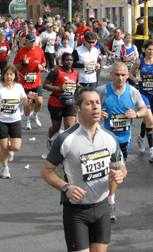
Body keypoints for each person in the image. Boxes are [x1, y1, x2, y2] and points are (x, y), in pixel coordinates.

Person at [41, 88, 126, 252]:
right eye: (89, 103)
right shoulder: (66, 139)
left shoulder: (109, 138)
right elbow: (46, 171)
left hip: (102, 208)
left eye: (97, 103)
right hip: (76, 211)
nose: (95, 107)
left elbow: (121, 168)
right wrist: (66, 187)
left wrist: (121, 173)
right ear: (78, 109)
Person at [97, 62, 147, 222]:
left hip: (123, 141)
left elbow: (144, 109)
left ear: (128, 75)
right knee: (101, 174)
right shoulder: (101, 91)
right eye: (117, 74)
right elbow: (85, 109)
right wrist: (98, 114)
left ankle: (110, 200)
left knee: (116, 173)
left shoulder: (133, 92)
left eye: (123, 75)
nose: (120, 78)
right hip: (102, 141)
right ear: (111, 74)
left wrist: (136, 114)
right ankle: (107, 202)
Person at [0, 65, 34, 179]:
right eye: (7, 74)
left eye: (11, 74)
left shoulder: (18, 87)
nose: (9, 76)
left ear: (15, 76)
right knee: (3, 147)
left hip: (15, 120)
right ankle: (5, 168)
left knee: (16, 147)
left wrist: (30, 98)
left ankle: (10, 150)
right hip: (1, 120)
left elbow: (26, 103)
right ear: (3, 75)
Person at [44, 53, 80, 149]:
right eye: (67, 60)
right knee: (56, 128)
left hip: (70, 102)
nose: (69, 62)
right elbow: (45, 85)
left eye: (71, 60)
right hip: (56, 102)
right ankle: (49, 137)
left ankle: (65, 149)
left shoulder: (75, 72)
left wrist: (79, 87)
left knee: (70, 128)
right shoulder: (56, 72)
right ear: (62, 61)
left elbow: (76, 83)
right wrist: (58, 88)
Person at [14, 33, 47, 130]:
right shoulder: (21, 52)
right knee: (27, 104)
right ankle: (27, 119)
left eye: (34, 41)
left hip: (36, 82)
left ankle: (34, 115)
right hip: (24, 82)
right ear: (26, 42)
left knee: (39, 102)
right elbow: (15, 67)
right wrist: (23, 63)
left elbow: (43, 62)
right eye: (30, 42)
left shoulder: (39, 50)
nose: (32, 44)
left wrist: (42, 67)